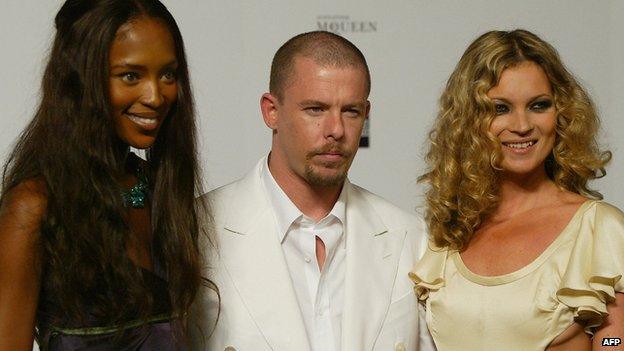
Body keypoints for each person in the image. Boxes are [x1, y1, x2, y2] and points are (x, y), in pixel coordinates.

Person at [190, 31, 435, 351]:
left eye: (351, 111)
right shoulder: (197, 228)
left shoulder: (410, 237)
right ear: (271, 111)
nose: (336, 130)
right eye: (316, 109)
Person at [0, 0, 207, 349]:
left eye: (168, 74)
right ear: (80, 79)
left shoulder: (159, 189)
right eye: (131, 75)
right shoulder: (33, 206)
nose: (156, 96)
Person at [410, 29, 624, 351]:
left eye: (539, 105)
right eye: (500, 109)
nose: (522, 125)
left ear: (561, 114)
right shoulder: (448, 236)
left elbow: (613, 342)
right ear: (469, 120)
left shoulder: (599, 231)